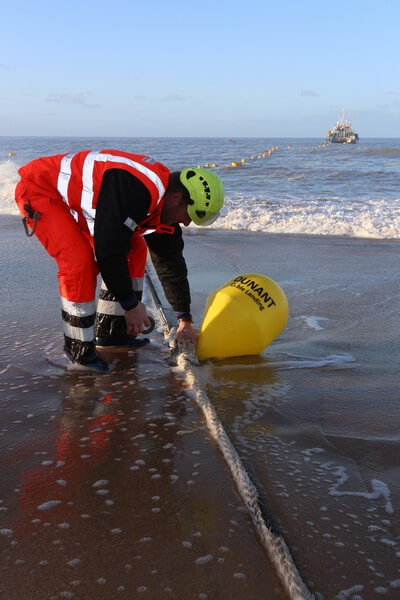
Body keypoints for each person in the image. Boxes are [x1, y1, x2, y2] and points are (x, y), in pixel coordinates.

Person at [15, 149, 224, 371]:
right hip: (41, 189)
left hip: (82, 203)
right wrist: (131, 304)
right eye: (191, 215)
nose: (187, 223)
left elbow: (171, 264)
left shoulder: (163, 202)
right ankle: (78, 352)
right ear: (177, 198)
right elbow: (109, 251)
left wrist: (185, 321)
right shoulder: (135, 189)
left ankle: (112, 333)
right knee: (79, 263)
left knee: (135, 248)